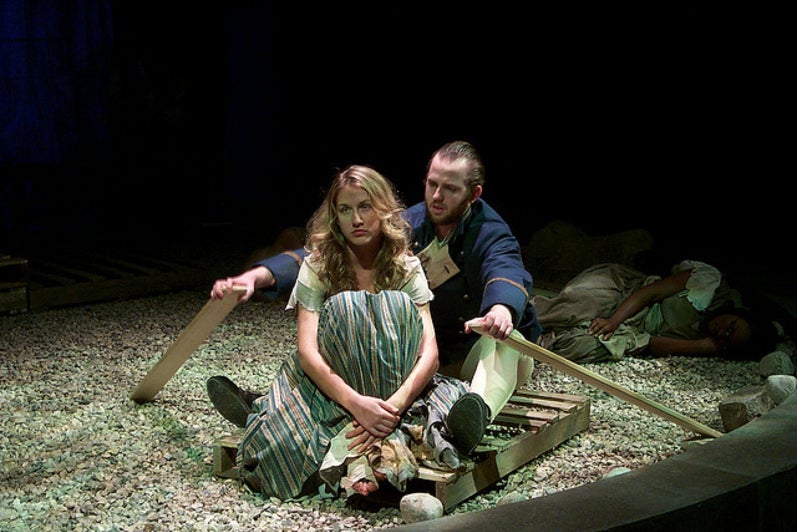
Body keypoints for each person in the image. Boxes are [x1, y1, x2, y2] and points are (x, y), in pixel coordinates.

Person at [212, 141, 542, 456]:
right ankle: (268, 407)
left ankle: (469, 421)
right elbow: (322, 252)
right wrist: (260, 276)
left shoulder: (490, 231)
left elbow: (505, 267)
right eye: (432, 184)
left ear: (474, 194)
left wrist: (500, 309)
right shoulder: (409, 224)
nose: (437, 196)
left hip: (471, 351)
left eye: (450, 189)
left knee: (502, 342)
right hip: (419, 358)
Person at [207, 165, 471, 500]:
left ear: (383, 209)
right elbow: (308, 352)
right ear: (335, 217)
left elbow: (429, 352)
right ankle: (274, 413)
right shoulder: (319, 266)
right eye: (345, 210)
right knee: (281, 443)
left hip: (394, 382)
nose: (356, 220)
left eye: (365, 206)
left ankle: (364, 451)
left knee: (443, 412)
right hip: (335, 384)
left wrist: (391, 408)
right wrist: (358, 405)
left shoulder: (406, 267)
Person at [532, 260, 780, 363]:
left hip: (636, 331)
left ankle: (530, 345)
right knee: (578, 308)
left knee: (579, 347)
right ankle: (519, 317)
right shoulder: (709, 284)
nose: (721, 331)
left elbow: (653, 344)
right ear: (738, 314)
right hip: (627, 296)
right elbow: (650, 292)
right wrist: (614, 320)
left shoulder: (705, 342)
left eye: (727, 338)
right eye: (730, 326)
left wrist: (706, 346)